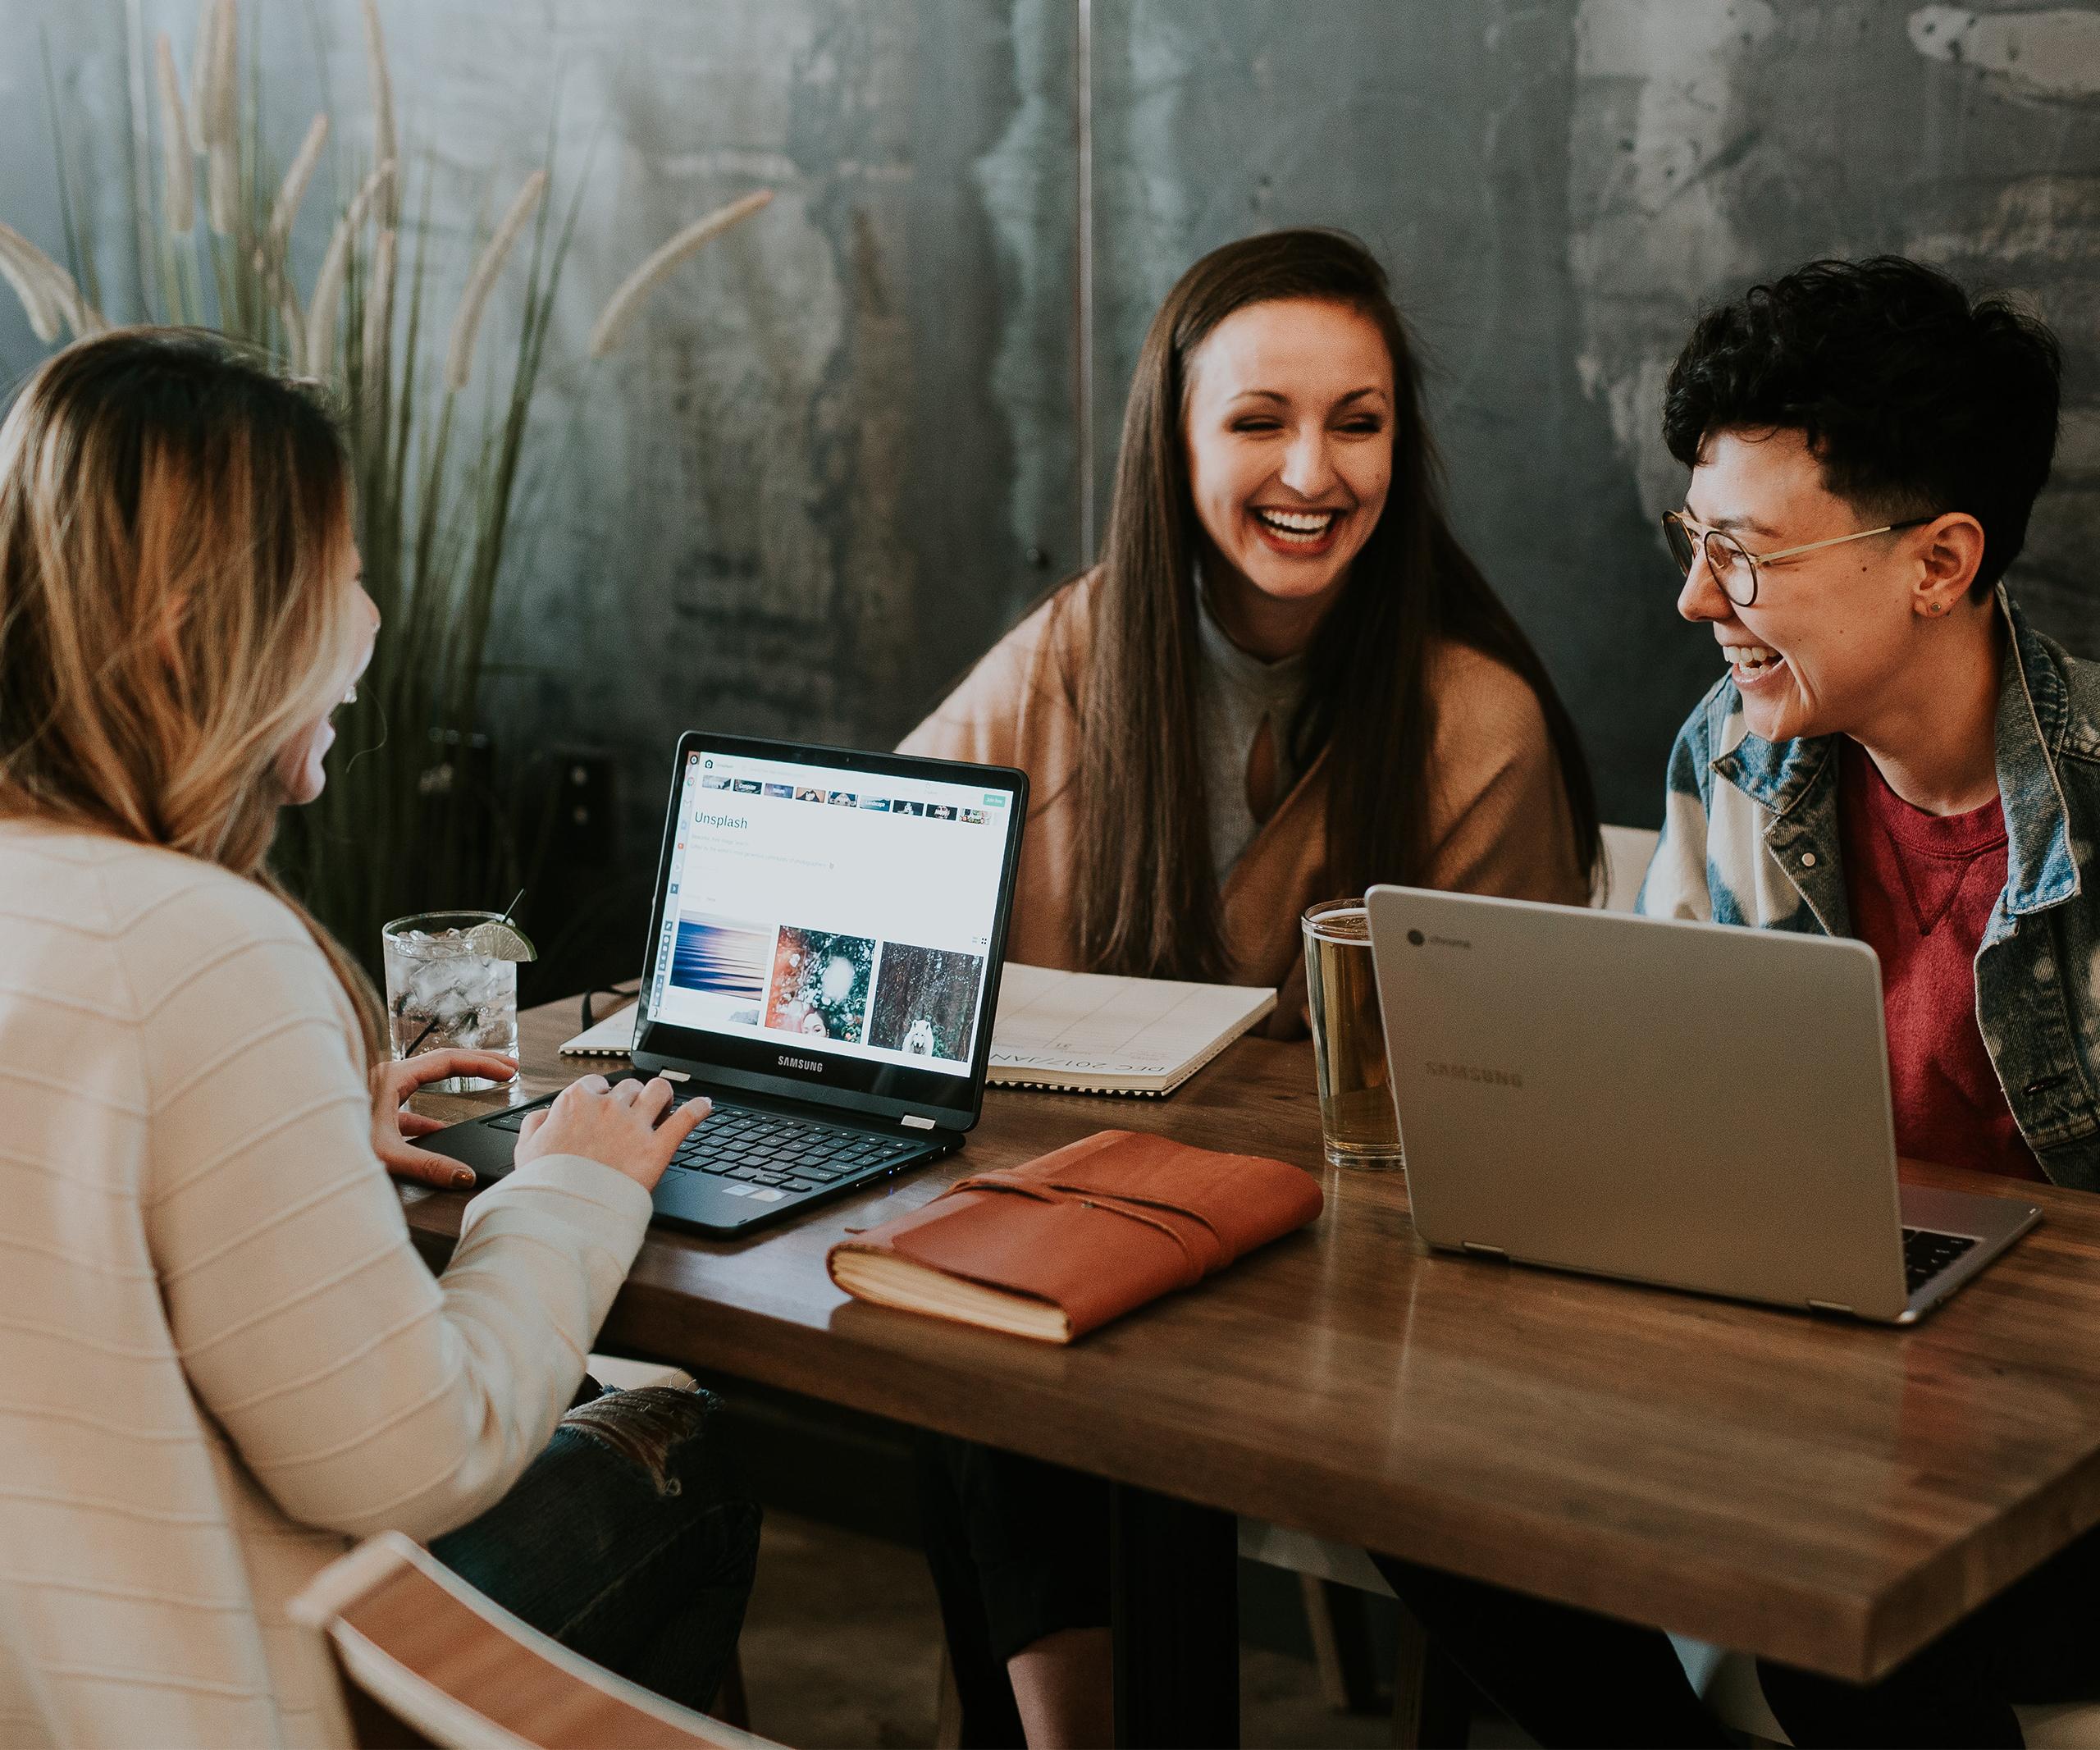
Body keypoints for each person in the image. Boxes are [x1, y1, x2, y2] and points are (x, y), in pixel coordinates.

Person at [0, 328, 756, 1748]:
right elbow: (412, 1456)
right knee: (682, 1453)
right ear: (196, 623)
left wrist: (300, 1145)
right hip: (178, 1691)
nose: (375, 620)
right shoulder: (196, 942)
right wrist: (568, 1189)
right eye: (340, 573)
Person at [1377, 255, 2092, 1748]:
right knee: (1409, 1468)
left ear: (1940, 562)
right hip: (1820, 1381)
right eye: (1692, 539)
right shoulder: (1737, 757)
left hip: (2059, 1457)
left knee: (1845, 1589)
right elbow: (1660, 1135)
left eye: (1747, 554)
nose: (1697, 596)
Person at [902, 227, 1601, 1748]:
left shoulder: (1472, 721)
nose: (1315, 469)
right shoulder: (1085, 645)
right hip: (1090, 1241)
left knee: (1004, 1347)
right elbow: (897, 858)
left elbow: (1498, 1105)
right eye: (1259, 420)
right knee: (967, 1330)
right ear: (1176, 440)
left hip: (1351, 1292)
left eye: (1358, 422)